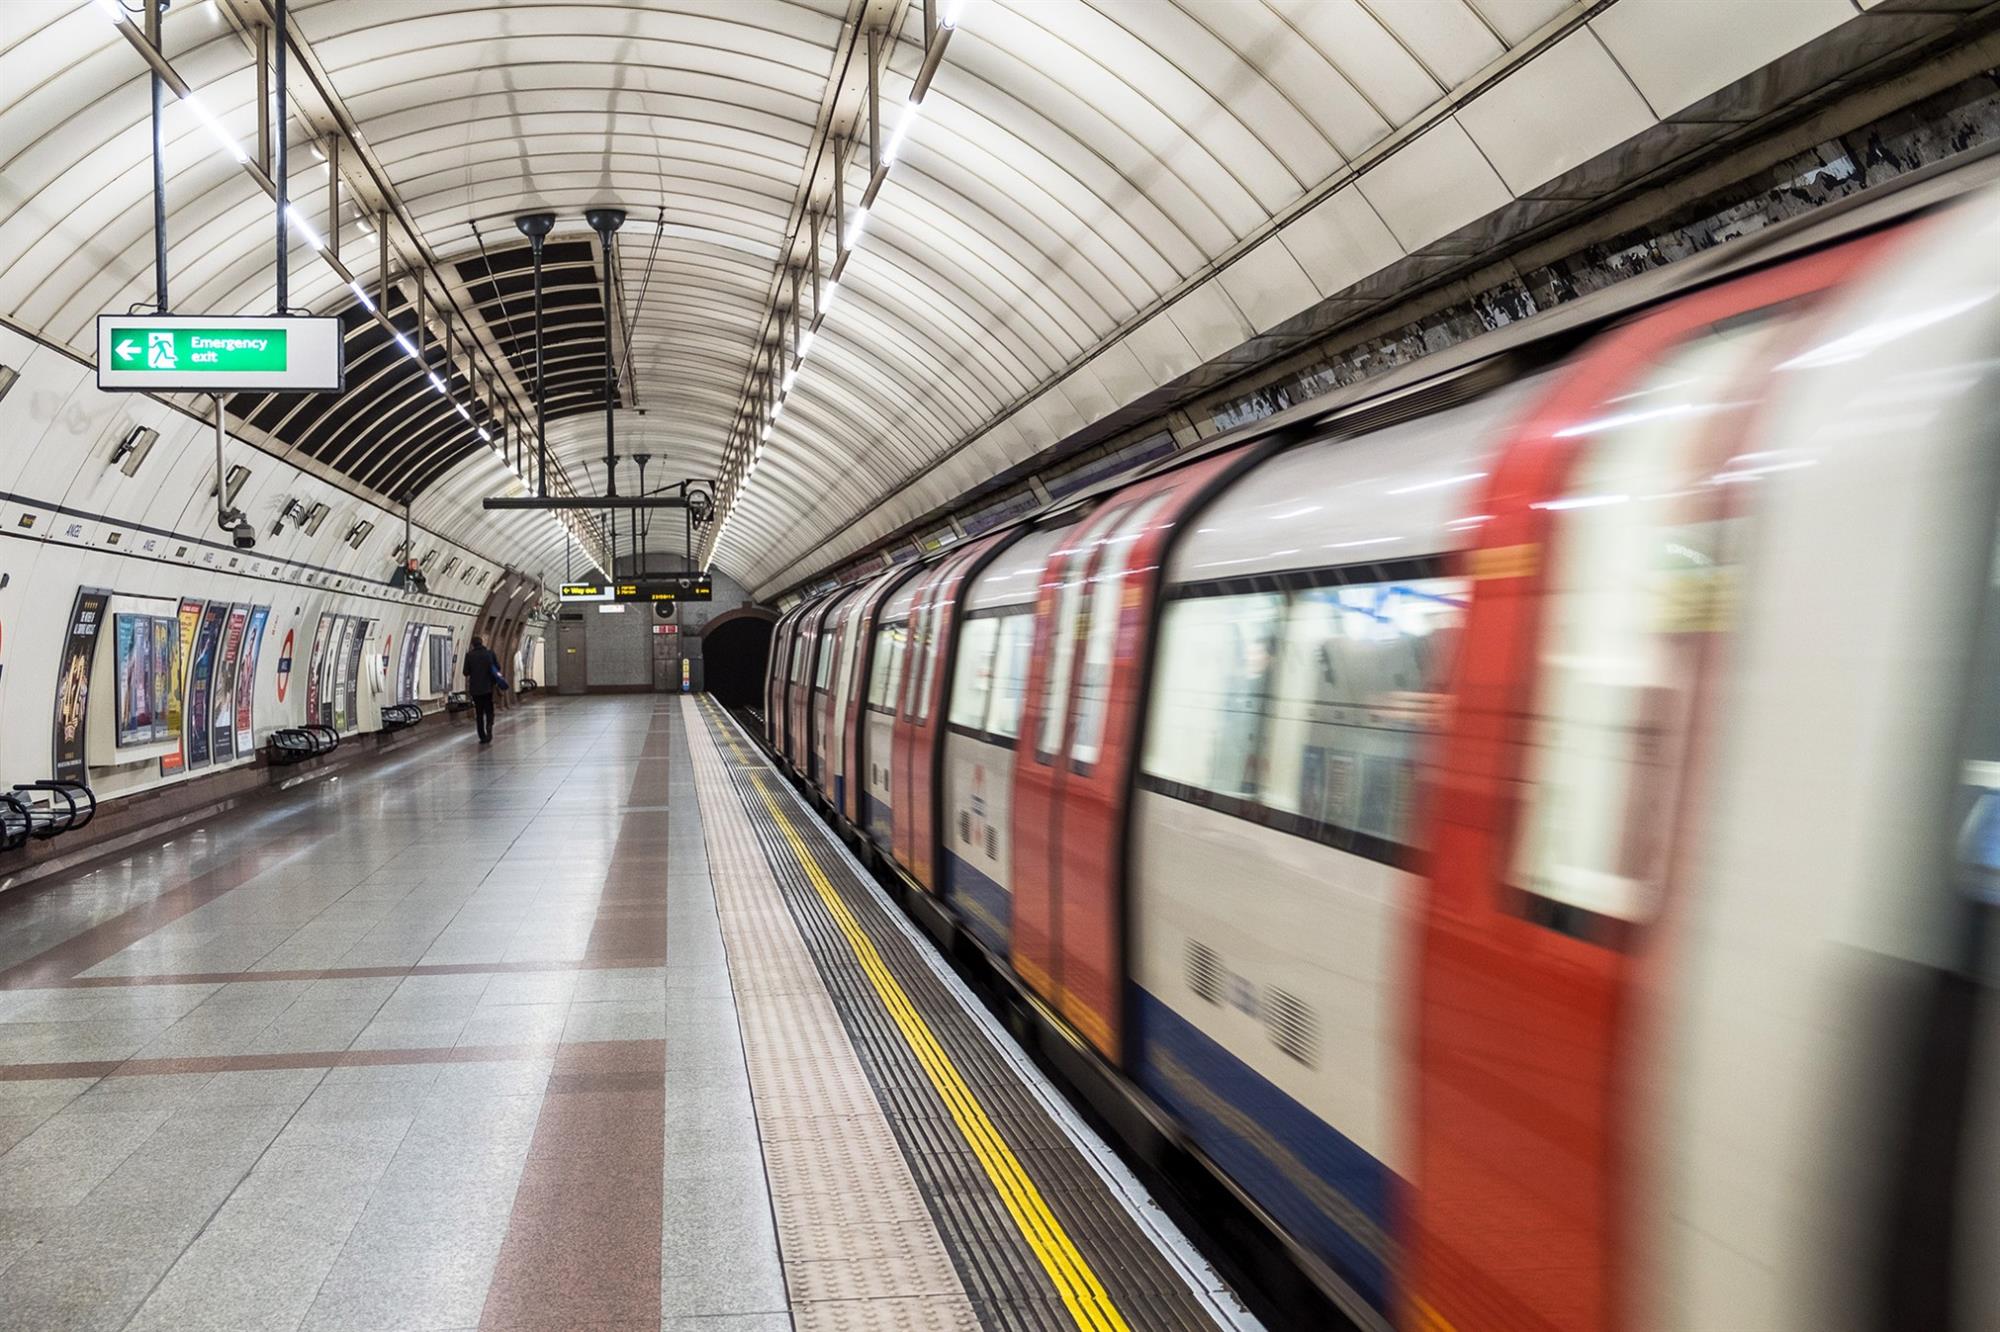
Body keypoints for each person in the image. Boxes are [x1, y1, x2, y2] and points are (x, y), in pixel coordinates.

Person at [463, 635, 507, 744]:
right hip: (488, 688)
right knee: (489, 709)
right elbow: (498, 667)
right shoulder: (490, 653)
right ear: (482, 643)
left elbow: (466, 672)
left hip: (476, 689)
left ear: (473, 644)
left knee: (479, 713)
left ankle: (482, 736)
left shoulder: (469, 655)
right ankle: (489, 726)